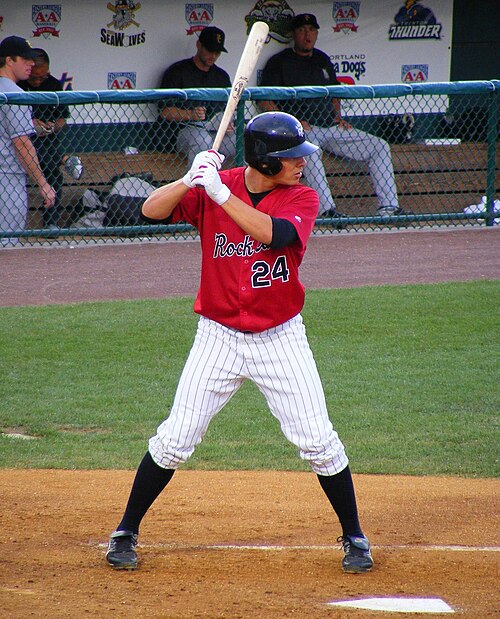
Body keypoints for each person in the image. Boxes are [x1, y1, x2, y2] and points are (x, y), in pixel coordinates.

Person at [105, 111, 373, 575]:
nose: (302, 163)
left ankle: (354, 535)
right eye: (291, 157)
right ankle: (125, 530)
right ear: (265, 161)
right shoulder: (213, 184)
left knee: (319, 442)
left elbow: (275, 234)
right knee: (174, 439)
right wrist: (189, 179)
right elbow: (151, 209)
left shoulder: (301, 197)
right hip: (218, 336)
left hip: (280, 338)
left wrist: (220, 195)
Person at [259, 13, 404, 220]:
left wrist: (338, 116)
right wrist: (290, 123)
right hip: (302, 130)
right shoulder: (279, 62)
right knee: (311, 153)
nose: (307, 35)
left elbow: (334, 92)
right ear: (293, 34)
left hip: (330, 127)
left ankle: (389, 208)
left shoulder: (321, 59)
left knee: (379, 145)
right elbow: (263, 100)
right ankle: (327, 211)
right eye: (302, 30)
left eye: (311, 30)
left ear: (317, 33)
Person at [0, 35, 56, 247]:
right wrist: (43, 183)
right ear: (9, 60)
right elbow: (21, 143)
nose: (32, 63)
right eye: (25, 59)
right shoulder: (15, 94)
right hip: (7, 178)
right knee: (6, 247)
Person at [155, 26, 236, 166]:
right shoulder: (177, 71)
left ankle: (226, 184)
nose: (213, 56)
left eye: (217, 52)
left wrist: (228, 124)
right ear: (199, 45)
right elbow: (165, 111)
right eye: (210, 50)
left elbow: (229, 110)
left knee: (239, 140)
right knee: (203, 141)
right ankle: (195, 187)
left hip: (214, 131)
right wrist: (190, 114)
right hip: (181, 132)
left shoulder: (221, 76)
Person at [18, 47, 70, 228]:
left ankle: (51, 223)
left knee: (54, 173)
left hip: (46, 142)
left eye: (43, 76)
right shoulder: (17, 84)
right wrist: (31, 124)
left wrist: (52, 127)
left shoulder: (53, 84)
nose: (39, 81)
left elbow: (63, 117)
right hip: (20, 140)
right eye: (35, 77)